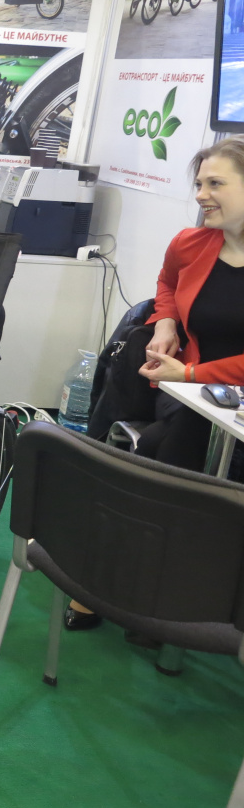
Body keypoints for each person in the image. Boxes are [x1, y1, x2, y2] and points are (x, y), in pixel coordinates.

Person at [66, 136, 244, 631]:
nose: (201, 195)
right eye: (199, 183)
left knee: (163, 452)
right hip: (189, 395)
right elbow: (167, 283)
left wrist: (190, 374)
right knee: (175, 443)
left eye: (215, 184)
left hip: (199, 386)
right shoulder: (191, 243)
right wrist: (166, 321)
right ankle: (138, 589)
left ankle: (131, 584)